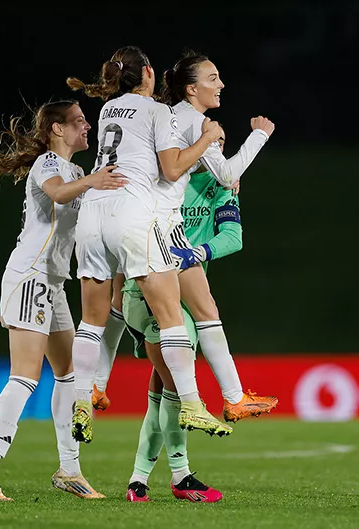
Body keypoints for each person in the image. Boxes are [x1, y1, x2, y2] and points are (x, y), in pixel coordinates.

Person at [93, 51, 278, 424]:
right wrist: (259, 136)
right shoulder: (194, 122)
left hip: (122, 213)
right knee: (199, 316)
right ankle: (227, 399)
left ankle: (96, 385)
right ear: (192, 89)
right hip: (160, 227)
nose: (221, 84)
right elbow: (226, 175)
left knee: (117, 302)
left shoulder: (156, 111)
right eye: (213, 78)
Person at [65, 46, 231, 443]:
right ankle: (192, 404)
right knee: (171, 314)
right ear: (150, 73)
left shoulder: (107, 111)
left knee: (92, 318)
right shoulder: (158, 111)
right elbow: (172, 167)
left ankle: (82, 401)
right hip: (132, 213)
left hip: (92, 213)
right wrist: (207, 137)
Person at [0, 100, 126, 501]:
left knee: (69, 373)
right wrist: (92, 183)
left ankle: (69, 469)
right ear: (56, 129)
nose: (88, 126)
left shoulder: (76, 171)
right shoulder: (49, 165)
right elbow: (57, 194)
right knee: (25, 376)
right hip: (30, 276)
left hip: (53, 282)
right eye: (79, 121)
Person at [123, 131, 242, 503]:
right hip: (150, 292)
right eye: (210, 139)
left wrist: (197, 252)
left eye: (222, 141)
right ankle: (180, 476)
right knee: (175, 387)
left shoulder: (222, 189)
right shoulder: (166, 180)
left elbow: (234, 237)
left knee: (163, 389)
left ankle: (140, 480)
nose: (217, 148)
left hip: (184, 296)